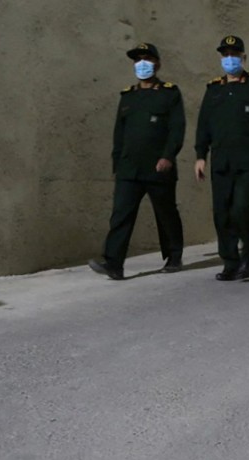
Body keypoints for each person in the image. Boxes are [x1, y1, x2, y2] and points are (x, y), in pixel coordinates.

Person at [89, 42, 186, 281]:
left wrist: (167, 156)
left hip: (158, 167)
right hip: (129, 168)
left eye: (147, 58)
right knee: (121, 214)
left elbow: (177, 129)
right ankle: (114, 263)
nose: (142, 63)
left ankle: (174, 256)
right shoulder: (128, 96)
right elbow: (119, 133)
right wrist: (117, 164)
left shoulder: (170, 93)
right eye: (137, 59)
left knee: (166, 213)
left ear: (157, 63)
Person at [195, 35, 249, 281]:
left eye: (234, 54)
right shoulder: (214, 89)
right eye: (225, 54)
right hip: (221, 161)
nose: (230, 58)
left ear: (244, 57)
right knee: (222, 213)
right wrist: (201, 156)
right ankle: (230, 262)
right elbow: (204, 125)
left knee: (242, 206)